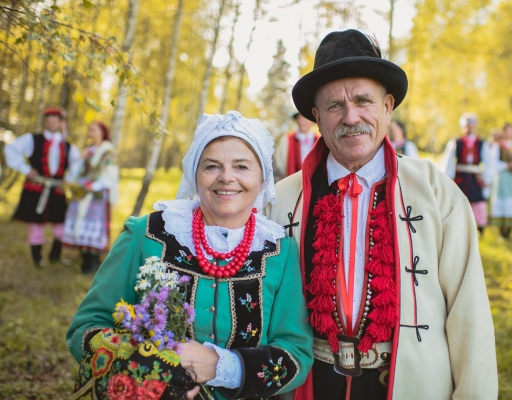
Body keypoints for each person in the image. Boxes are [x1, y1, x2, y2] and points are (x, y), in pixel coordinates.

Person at [267, 29, 497, 400]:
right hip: (309, 385)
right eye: (334, 106)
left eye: (363, 100)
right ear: (316, 117)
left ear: (388, 107)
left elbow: (468, 312)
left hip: (410, 385)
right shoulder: (279, 201)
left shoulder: (437, 194)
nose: (351, 117)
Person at [67, 111, 313, 399]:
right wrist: (154, 369)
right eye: (212, 166)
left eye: (241, 166)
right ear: (194, 174)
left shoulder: (279, 251)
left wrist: (221, 366)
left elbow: (296, 353)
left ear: (262, 179)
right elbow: (87, 327)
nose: (227, 177)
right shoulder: (144, 234)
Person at [4, 108, 80, 267]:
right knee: (35, 224)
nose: (52, 123)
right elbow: (10, 149)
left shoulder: (67, 144)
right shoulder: (33, 139)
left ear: (60, 123)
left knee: (60, 224)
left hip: (57, 189)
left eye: (55, 121)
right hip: (36, 187)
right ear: (45, 122)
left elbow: (78, 163)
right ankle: (37, 259)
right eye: (49, 120)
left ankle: (55, 255)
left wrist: (68, 178)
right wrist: (26, 169)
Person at [62, 122, 119, 274]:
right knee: (80, 223)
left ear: (102, 132)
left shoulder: (107, 151)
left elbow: (110, 174)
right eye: (89, 130)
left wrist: (95, 186)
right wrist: (81, 158)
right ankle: (84, 257)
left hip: (97, 194)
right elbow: (79, 171)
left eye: (94, 130)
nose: (90, 133)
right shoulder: (89, 149)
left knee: (94, 226)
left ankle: (93, 260)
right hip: (83, 192)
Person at [441, 112, 493, 234]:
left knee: (478, 201)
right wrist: (448, 178)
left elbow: (488, 162)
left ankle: (480, 228)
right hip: (461, 177)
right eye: (467, 125)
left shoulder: (481, 144)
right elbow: (448, 162)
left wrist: (487, 178)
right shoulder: (456, 142)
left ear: (475, 127)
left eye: (471, 125)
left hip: (475, 178)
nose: (469, 128)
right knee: (459, 200)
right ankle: (459, 227)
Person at [273, 112, 318, 181]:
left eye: (305, 119)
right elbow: (279, 164)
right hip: (292, 180)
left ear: (312, 121)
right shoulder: (287, 139)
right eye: (300, 119)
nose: (302, 122)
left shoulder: (318, 139)